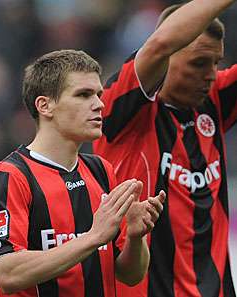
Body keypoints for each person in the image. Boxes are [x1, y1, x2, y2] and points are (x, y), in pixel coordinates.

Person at [0, 49, 166, 297]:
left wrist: (134, 236)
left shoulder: (100, 171)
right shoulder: (9, 177)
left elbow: (130, 274)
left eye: (98, 94)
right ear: (45, 106)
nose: (99, 104)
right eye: (83, 95)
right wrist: (93, 237)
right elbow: (8, 274)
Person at [92, 0, 236, 296]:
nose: (210, 74)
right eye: (199, 63)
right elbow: (160, 42)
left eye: (216, 63)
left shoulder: (213, 101)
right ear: (167, 58)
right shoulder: (124, 108)